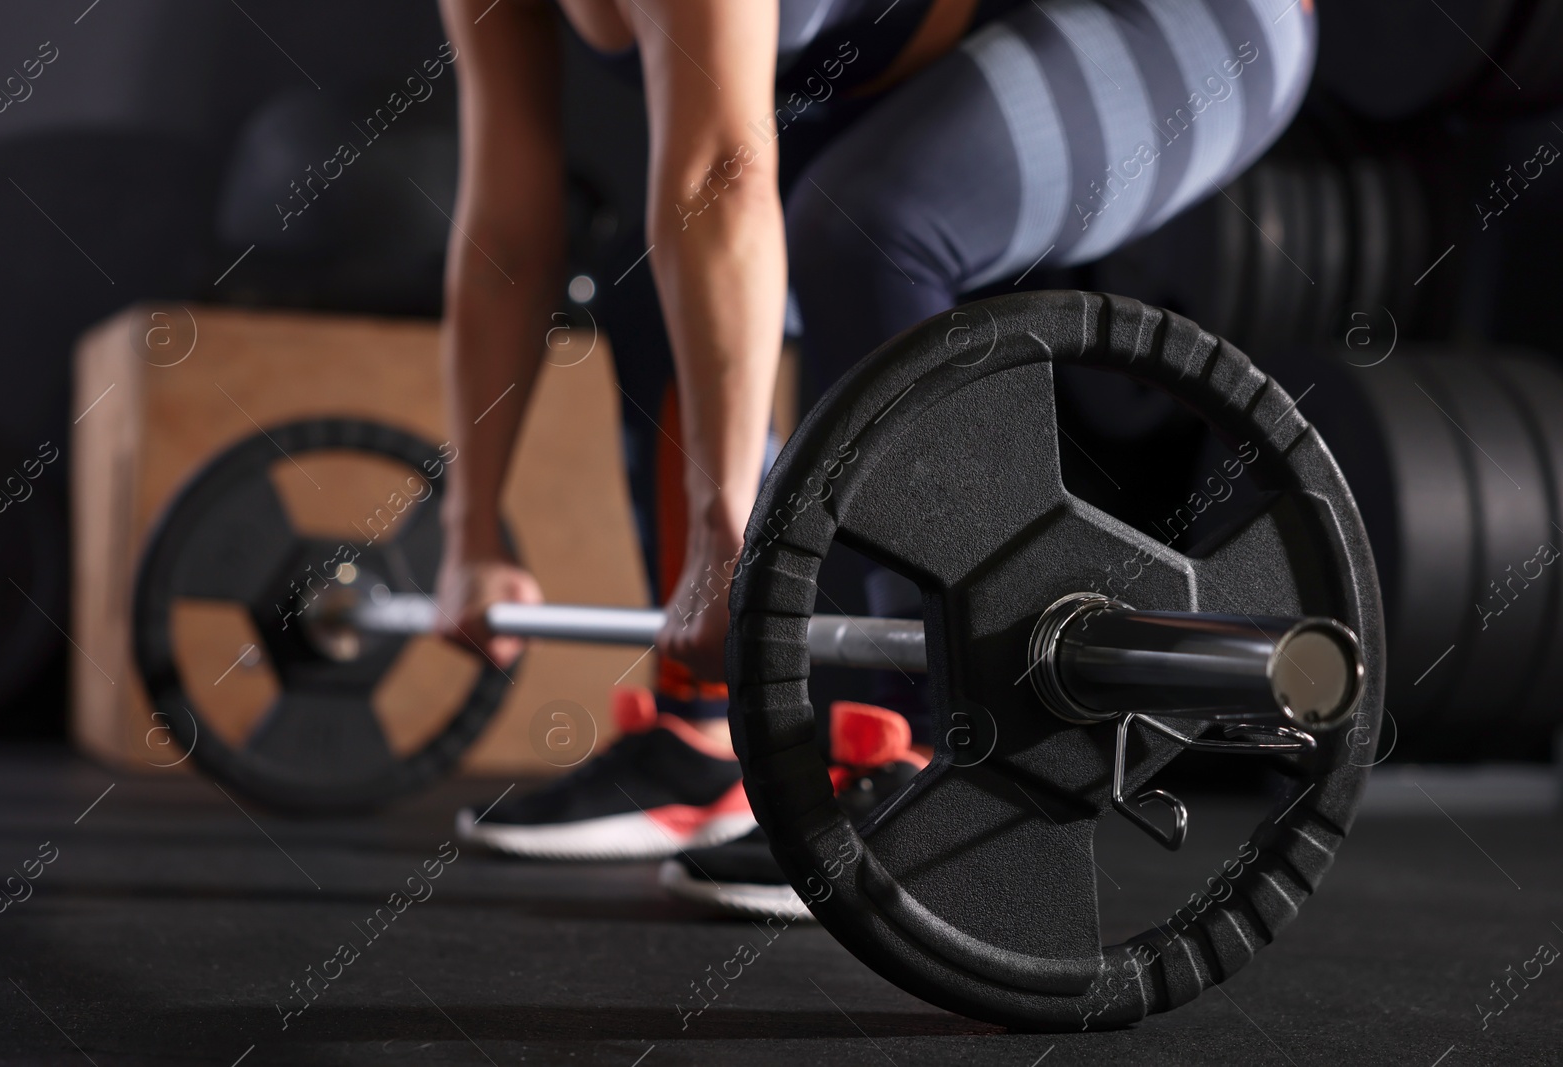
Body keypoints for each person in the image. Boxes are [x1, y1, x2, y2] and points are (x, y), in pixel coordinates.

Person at [435, 0, 1316, 872]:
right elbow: (507, 242)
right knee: (650, 293)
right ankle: (709, 739)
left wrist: (726, 532)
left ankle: (942, 760)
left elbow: (716, 179)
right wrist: (469, 534)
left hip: (1197, 21)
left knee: (866, 230)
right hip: (939, 55)